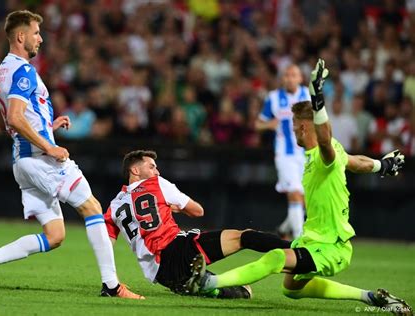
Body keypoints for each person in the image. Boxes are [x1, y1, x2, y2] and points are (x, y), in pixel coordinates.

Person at [186, 59, 412, 315]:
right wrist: (381, 166)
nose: (293, 131)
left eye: (294, 127)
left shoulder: (322, 155)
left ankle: (207, 282)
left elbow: (325, 139)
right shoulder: (332, 151)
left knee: (276, 258)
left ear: (304, 128)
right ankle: (370, 297)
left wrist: (317, 98)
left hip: (331, 246)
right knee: (291, 288)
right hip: (313, 240)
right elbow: (355, 162)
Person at [0, 10, 143, 299]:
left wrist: (47, 127)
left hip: (23, 161)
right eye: (35, 33)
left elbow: (4, 122)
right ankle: (111, 285)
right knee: (93, 208)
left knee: (55, 236)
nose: (40, 39)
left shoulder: (3, 71)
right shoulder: (23, 71)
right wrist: (48, 145)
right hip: (41, 159)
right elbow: (16, 119)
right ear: (21, 36)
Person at [104, 150, 292, 298]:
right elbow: (197, 210)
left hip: (160, 275)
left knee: (239, 290)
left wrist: (112, 280)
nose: (157, 171)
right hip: (177, 249)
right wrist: (174, 207)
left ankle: (205, 286)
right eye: (152, 166)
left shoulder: (115, 205)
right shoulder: (157, 184)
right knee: (245, 236)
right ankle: (297, 249)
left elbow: (106, 243)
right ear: (135, 170)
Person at [255, 64, 310, 239]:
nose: (289, 78)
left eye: (294, 75)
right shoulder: (274, 98)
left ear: (300, 78)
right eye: (287, 75)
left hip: (306, 153)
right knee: (294, 193)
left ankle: (284, 229)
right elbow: (258, 124)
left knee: (306, 201)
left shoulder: (308, 95)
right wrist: (268, 125)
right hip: (285, 155)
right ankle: (300, 239)